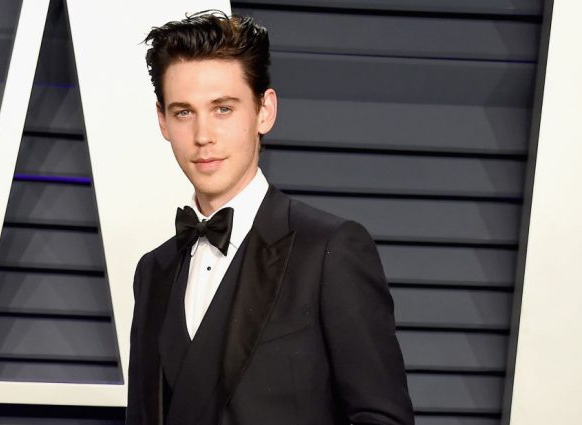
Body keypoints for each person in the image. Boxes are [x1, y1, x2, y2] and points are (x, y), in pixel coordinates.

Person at [126, 11, 414, 425]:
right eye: (184, 112)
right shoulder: (153, 271)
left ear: (265, 111)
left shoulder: (329, 250)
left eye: (223, 109)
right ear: (163, 121)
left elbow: (383, 418)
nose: (203, 136)